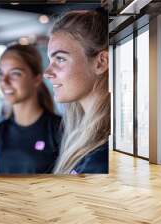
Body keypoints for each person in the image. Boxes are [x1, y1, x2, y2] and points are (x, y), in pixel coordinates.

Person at [43, 10, 110, 174]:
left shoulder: (103, 156)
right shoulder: (81, 136)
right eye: (50, 60)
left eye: (60, 59)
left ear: (101, 63)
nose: (47, 72)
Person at [0, 44, 62, 174]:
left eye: (15, 74)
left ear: (36, 79)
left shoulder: (58, 129)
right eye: (1, 74)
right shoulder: (1, 130)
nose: (4, 81)